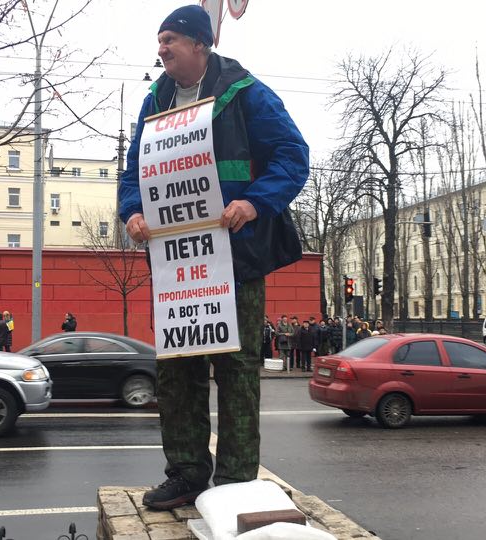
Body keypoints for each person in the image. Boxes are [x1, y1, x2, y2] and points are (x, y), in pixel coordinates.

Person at [118, 4, 308, 512]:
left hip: (236, 257)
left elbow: (292, 155)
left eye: (170, 39)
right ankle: (186, 474)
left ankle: (235, 481)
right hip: (177, 264)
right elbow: (133, 171)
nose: (161, 48)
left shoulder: (246, 93)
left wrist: (254, 202)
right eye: (159, 40)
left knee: (236, 369)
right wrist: (132, 212)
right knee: (176, 369)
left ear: (200, 44)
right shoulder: (155, 99)